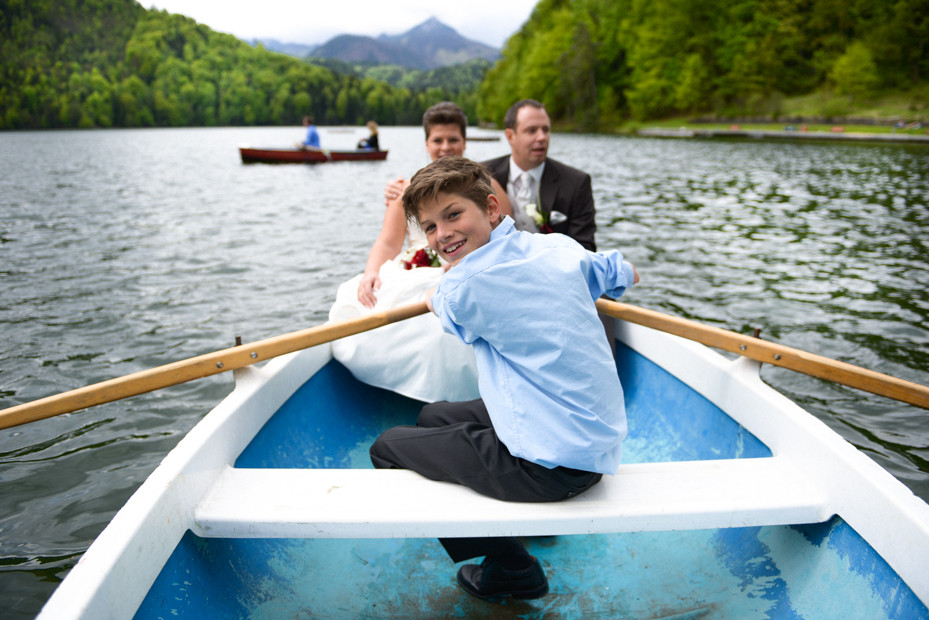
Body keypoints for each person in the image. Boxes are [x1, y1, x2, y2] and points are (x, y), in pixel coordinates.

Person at [370, 156, 639, 600]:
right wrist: (621, 275)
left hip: (550, 468)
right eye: (431, 227)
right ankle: (507, 525)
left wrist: (438, 291)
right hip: (594, 445)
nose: (443, 235)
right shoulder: (557, 248)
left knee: (387, 448)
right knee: (435, 416)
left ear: (493, 209)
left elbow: (442, 300)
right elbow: (619, 272)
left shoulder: (466, 288)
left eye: (453, 215)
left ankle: (512, 570)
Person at [328, 102, 510, 403]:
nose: (445, 147)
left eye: (453, 140)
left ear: (464, 142)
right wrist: (371, 272)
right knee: (365, 305)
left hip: (470, 267)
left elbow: (505, 234)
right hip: (417, 269)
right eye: (437, 140)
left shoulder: (487, 186)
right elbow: (388, 242)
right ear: (427, 144)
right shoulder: (407, 189)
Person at [483, 99, 596, 251]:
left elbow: (585, 248)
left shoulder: (576, 183)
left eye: (546, 130)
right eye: (531, 130)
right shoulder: (483, 175)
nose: (542, 137)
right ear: (510, 136)